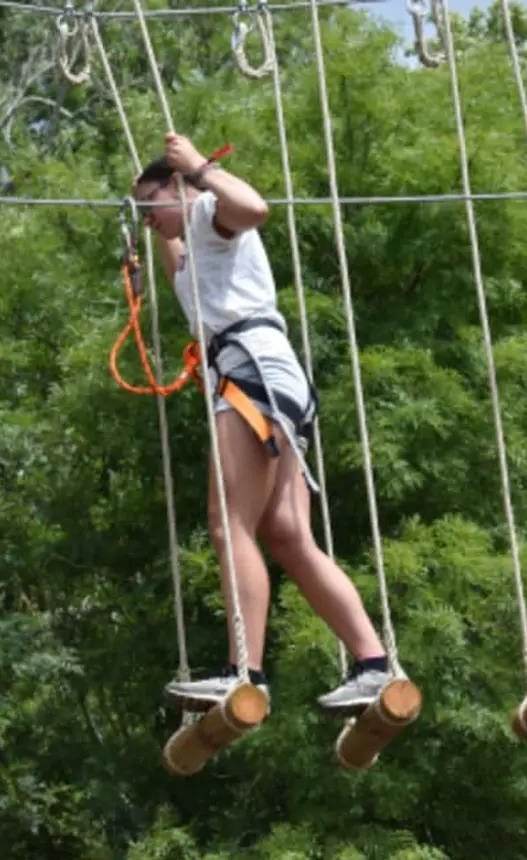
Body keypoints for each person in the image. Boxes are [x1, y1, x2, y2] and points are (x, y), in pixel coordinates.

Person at [130, 131, 400, 716]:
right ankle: (374, 665)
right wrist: (150, 223)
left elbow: (254, 209)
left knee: (229, 523)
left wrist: (197, 166)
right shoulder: (190, 248)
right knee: (286, 535)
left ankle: (242, 671)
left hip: (252, 376)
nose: (145, 219)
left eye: (148, 205)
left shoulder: (208, 215)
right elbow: (177, 258)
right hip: (274, 380)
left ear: (177, 189)